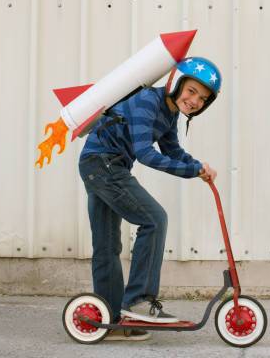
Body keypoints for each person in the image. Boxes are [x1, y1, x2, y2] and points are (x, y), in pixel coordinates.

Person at [78, 57, 221, 341]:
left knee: (107, 244)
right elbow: (145, 153)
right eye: (191, 91)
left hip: (103, 165)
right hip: (103, 164)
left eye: (202, 99)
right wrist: (191, 171)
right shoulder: (147, 101)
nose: (195, 101)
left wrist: (199, 166)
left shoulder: (170, 113)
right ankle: (139, 301)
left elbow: (173, 151)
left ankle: (113, 318)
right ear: (176, 82)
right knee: (154, 219)